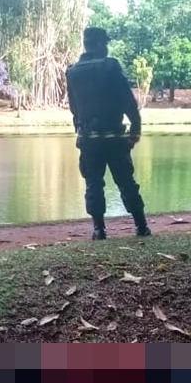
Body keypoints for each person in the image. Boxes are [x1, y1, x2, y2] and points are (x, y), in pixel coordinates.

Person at [65, 27, 151, 241]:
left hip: (88, 139)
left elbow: (74, 108)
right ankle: (141, 227)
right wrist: (135, 128)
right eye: (105, 43)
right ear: (98, 44)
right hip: (114, 137)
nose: (107, 47)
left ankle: (99, 230)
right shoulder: (110, 66)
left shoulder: (73, 71)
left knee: (93, 184)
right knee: (126, 182)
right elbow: (127, 101)